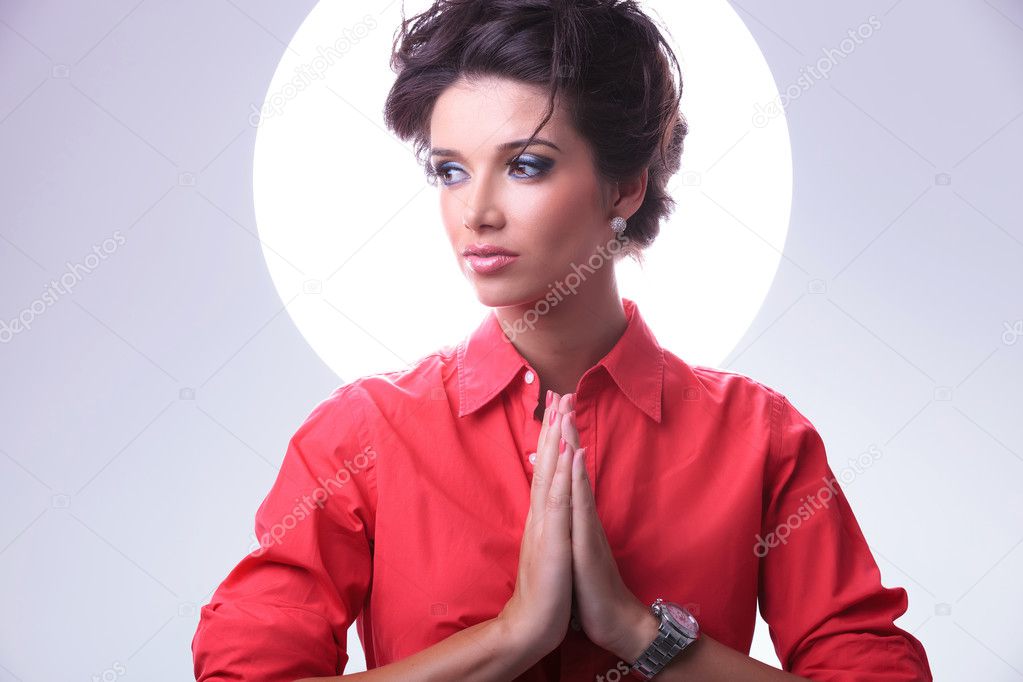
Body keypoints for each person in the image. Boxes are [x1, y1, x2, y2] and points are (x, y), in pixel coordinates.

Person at [192, 1, 934, 680]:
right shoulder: (360, 435)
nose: (474, 211)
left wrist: (639, 634)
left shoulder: (759, 438)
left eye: (524, 165)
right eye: (449, 171)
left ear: (624, 188)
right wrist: (513, 635)